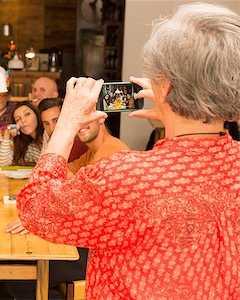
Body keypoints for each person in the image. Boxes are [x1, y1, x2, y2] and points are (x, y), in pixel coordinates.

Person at [16, 3, 240, 299]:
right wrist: (179, 112)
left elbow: (36, 210)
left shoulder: (125, 176)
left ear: (166, 85)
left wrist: (67, 123)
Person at [5, 103, 129, 300]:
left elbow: (82, 208)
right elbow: (58, 176)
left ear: (101, 118)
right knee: (23, 264)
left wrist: (40, 217)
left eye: (85, 119)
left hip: (104, 254)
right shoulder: (91, 151)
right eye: (75, 120)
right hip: (89, 240)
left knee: (20, 275)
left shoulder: (111, 153)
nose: (80, 125)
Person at [38, 98, 88, 162]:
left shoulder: (79, 143)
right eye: (46, 124)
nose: (51, 129)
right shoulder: (53, 142)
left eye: (56, 121)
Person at [0, 101, 43, 166]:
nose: (23, 120)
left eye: (27, 114)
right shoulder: (30, 147)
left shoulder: (47, 136)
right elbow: (3, 163)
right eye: (18, 119)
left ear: (36, 115)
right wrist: (7, 133)